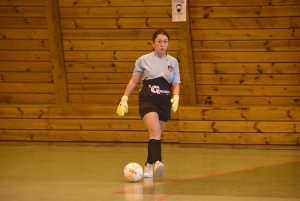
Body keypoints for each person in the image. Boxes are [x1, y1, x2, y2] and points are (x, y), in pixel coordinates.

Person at [116, 29, 181, 178]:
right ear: (153, 43)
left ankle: (148, 165)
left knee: (155, 136)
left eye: (165, 41)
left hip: (164, 102)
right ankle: (158, 162)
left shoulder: (173, 62)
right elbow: (134, 80)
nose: (162, 45)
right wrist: (124, 98)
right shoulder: (143, 60)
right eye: (159, 41)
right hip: (148, 100)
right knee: (155, 131)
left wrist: (176, 97)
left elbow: (176, 83)